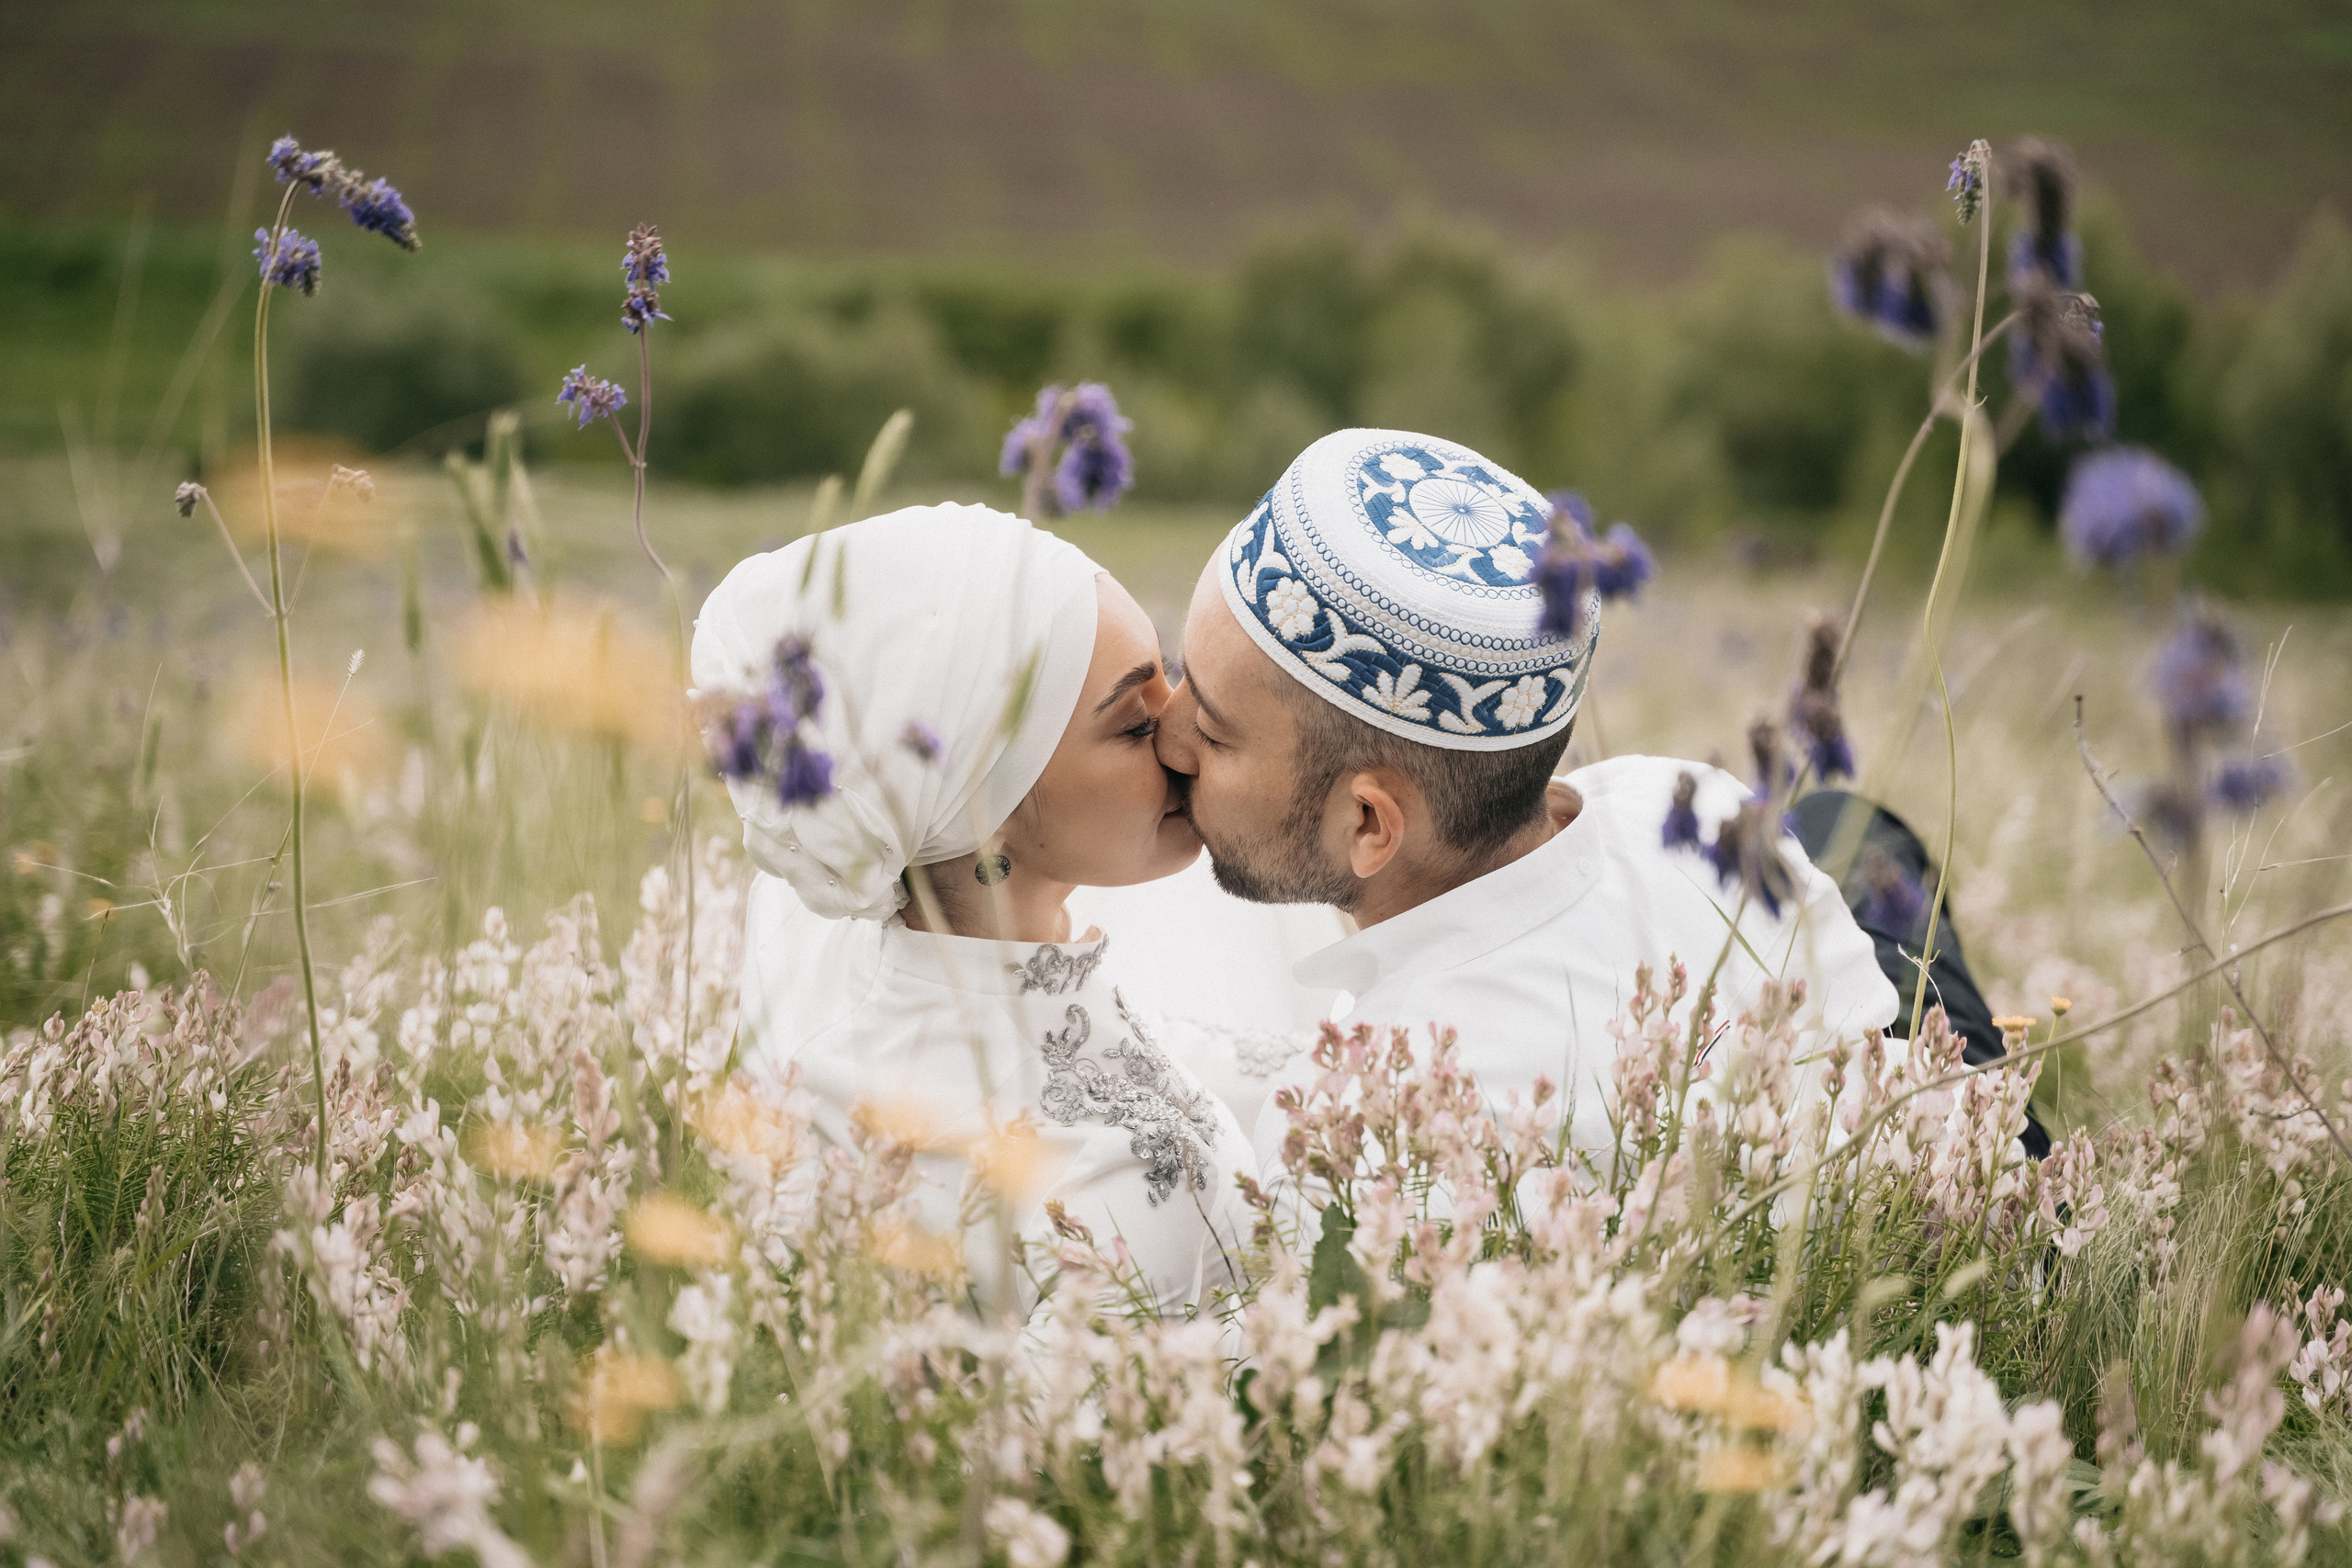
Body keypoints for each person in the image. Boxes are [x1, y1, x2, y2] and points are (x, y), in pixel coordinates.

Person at [1152, 429, 1905, 1179]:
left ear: (1370, 824)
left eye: (1215, 734)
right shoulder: (1707, 813)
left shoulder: (1362, 1132)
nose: (1167, 736)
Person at [691, 503, 1254, 1318]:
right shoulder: (1125, 1182)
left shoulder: (806, 922)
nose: (1183, 737)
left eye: (1165, 671)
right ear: (982, 805)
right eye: (1134, 725)